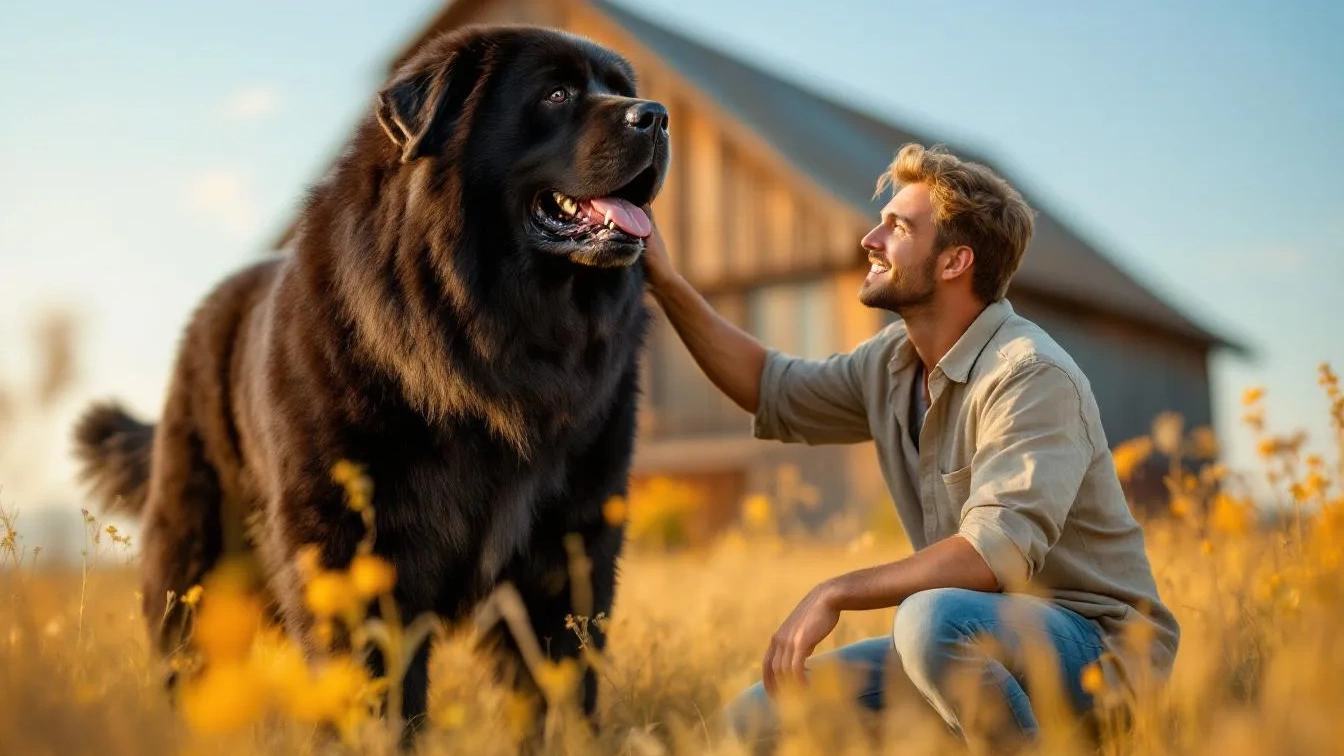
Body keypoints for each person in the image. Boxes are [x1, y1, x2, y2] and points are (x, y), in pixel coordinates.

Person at [640, 143, 1179, 752]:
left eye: (897, 227)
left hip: (1096, 649)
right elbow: (770, 387)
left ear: (954, 262)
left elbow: (989, 556)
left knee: (928, 622)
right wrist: (663, 277)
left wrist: (833, 590)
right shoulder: (891, 364)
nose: (870, 239)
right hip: (969, 641)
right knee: (755, 718)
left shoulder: (1029, 375)